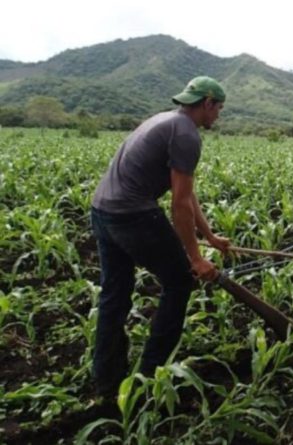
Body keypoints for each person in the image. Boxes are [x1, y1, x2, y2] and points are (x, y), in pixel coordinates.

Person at [90, 76, 231, 398]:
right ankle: (148, 377)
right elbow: (178, 205)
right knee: (181, 281)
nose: (218, 116)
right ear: (207, 103)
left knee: (115, 292)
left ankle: (107, 378)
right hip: (133, 215)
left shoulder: (164, 120)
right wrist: (195, 258)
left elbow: (187, 194)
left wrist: (208, 236)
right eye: (218, 109)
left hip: (102, 211)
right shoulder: (186, 135)